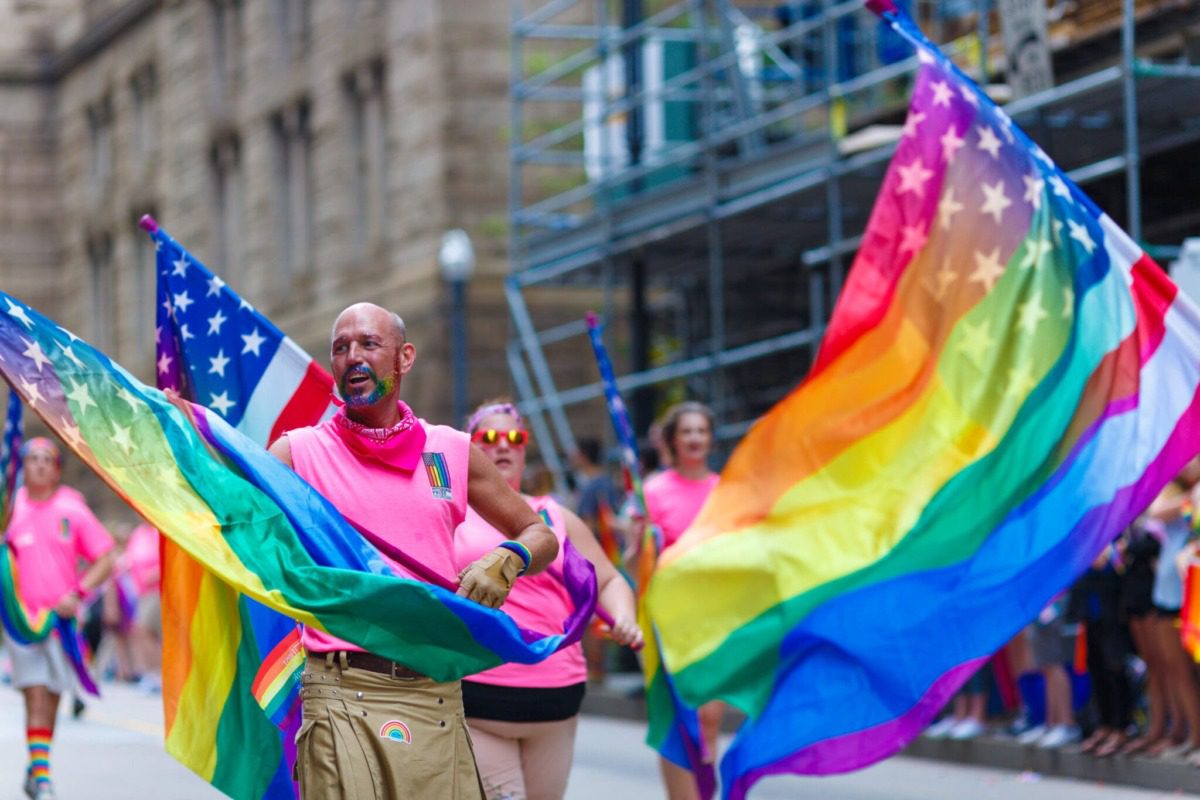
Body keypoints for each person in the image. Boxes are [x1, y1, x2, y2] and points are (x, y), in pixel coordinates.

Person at [266, 302, 560, 799]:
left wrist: (507, 559)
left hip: (434, 693)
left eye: (368, 344)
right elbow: (236, 517)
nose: (353, 356)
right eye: (341, 348)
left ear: (404, 358)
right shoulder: (297, 453)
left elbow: (541, 534)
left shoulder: (451, 450)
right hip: (339, 688)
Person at [456, 402, 642, 800]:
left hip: (557, 703)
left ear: (524, 449)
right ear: (469, 448)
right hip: (480, 699)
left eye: (513, 438)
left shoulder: (555, 516)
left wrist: (625, 618)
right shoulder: (451, 513)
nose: (502, 445)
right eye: (489, 437)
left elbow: (608, 579)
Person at [5, 437, 115, 800]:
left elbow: (104, 557)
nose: (38, 465)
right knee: (34, 693)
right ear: (21, 467)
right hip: (21, 624)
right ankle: (44, 779)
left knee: (50, 697)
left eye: (45, 460)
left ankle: (37, 765)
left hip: (60, 622)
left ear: (56, 468)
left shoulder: (73, 509)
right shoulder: (9, 508)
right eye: (31, 459)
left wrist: (79, 593)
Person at [640, 402, 721, 800]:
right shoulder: (653, 491)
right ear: (673, 439)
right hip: (671, 619)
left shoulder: (727, 489)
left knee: (708, 719)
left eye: (701, 431)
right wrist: (643, 542)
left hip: (718, 618)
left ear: (710, 438)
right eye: (686, 431)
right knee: (680, 720)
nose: (694, 439)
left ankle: (704, 793)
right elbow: (632, 562)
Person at [571, 437, 625, 683]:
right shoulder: (606, 483)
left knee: (591, 612)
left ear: (583, 456)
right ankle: (598, 667)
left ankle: (596, 669)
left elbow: (589, 525)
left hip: (595, 557)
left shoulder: (593, 486)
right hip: (611, 556)